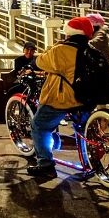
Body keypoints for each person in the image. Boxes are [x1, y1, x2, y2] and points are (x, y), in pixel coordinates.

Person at [26, 17, 94, 177]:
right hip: (86, 98)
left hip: (64, 99)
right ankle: (90, 163)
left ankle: (45, 164)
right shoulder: (92, 50)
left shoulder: (61, 50)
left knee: (39, 126)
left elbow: (40, 62)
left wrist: (54, 47)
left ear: (69, 33)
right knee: (82, 129)